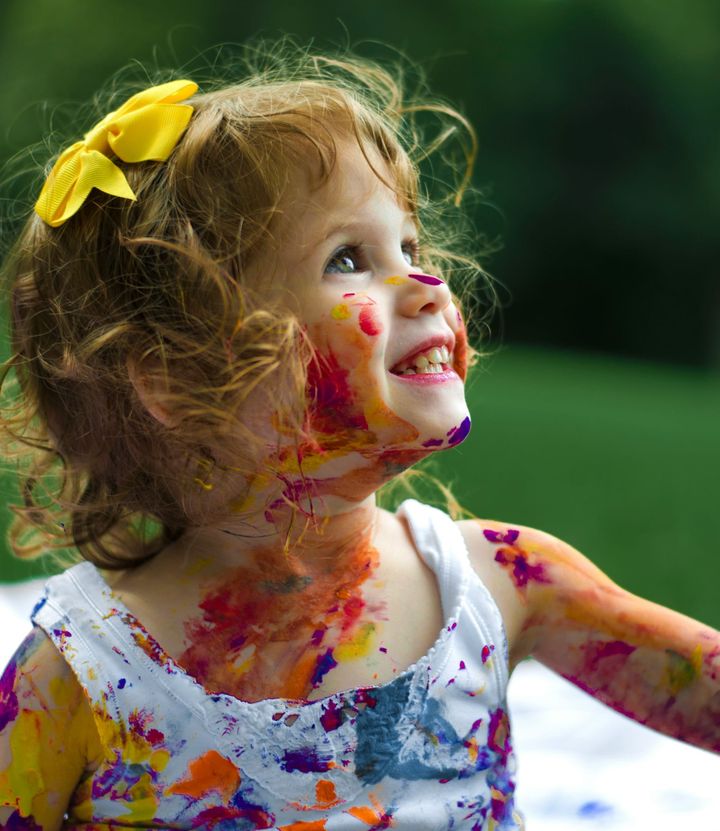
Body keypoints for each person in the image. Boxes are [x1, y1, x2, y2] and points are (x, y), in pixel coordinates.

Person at [0, 43, 718, 831]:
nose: (427, 284)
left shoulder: (496, 584)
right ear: (175, 379)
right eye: (349, 258)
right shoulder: (87, 668)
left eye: (410, 247)